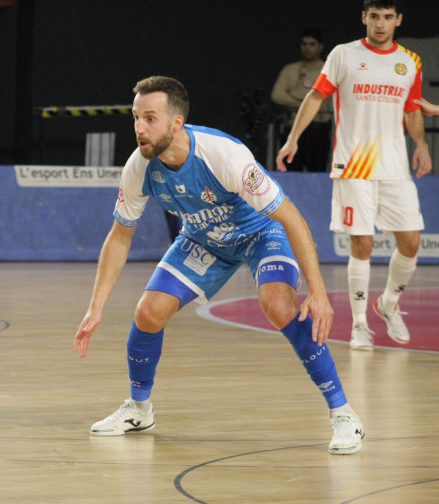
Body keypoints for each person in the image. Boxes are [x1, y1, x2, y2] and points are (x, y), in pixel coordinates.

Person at [73, 76, 364, 455]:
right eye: (135, 118)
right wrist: (95, 308)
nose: (139, 129)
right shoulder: (139, 167)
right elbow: (119, 237)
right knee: (148, 313)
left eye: (150, 119)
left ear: (176, 123)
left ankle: (343, 414)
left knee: (278, 306)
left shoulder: (222, 155)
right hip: (203, 238)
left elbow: (291, 218)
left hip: (260, 232)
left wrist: (319, 293)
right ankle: (139, 410)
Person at [276, 0, 431, 351]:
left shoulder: (410, 62)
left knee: (411, 242)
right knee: (362, 244)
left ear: (398, 20)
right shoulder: (343, 55)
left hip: (394, 167)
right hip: (353, 165)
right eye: (374, 16)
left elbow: (413, 109)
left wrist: (420, 145)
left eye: (387, 17)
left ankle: (388, 303)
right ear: (364, 18)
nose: (380, 23)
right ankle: (360, 324)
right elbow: (316, 96)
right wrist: (293, 139)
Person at [271, 27, 333, 172]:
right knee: (290, 171)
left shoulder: (327, 68)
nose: (307, 48)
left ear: (320, 47)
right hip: (292, 126)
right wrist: (303, 104)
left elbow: (322, 100)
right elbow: (277, 95)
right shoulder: (290, 69)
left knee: (317, 173)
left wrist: (299, 101)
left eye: (312, 44)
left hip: (318, 128)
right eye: (304, 44)